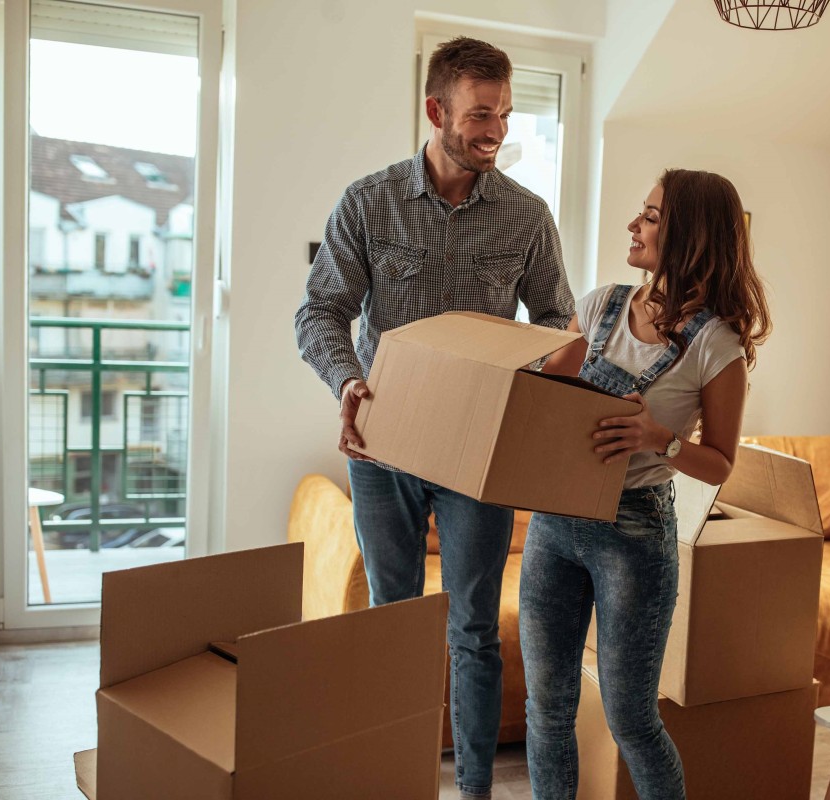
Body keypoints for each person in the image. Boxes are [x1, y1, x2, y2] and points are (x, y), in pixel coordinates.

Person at [294, 37, 575, 800]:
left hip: (478, 456)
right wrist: (346, 381)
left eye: (506, 116)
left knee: (474, 634)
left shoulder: (525, 217)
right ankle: (398, 780)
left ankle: (476, 791)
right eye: (481, 115)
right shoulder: (369, 201)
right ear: (435, 110)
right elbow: (320, 309)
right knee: (395, 628)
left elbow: (558, 322)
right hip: (382, 448)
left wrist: (542, 390)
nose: (497, 132)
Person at [519, 169, 772, 799]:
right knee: (547, 707)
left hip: (633, 535)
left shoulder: (718, 345)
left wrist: (658, 437)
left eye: (651, 216)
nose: (634, 225)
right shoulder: (600, 304)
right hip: (555, 523)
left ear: (687, 235)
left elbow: (719, 462)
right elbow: (548, 397)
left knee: (630, 716)